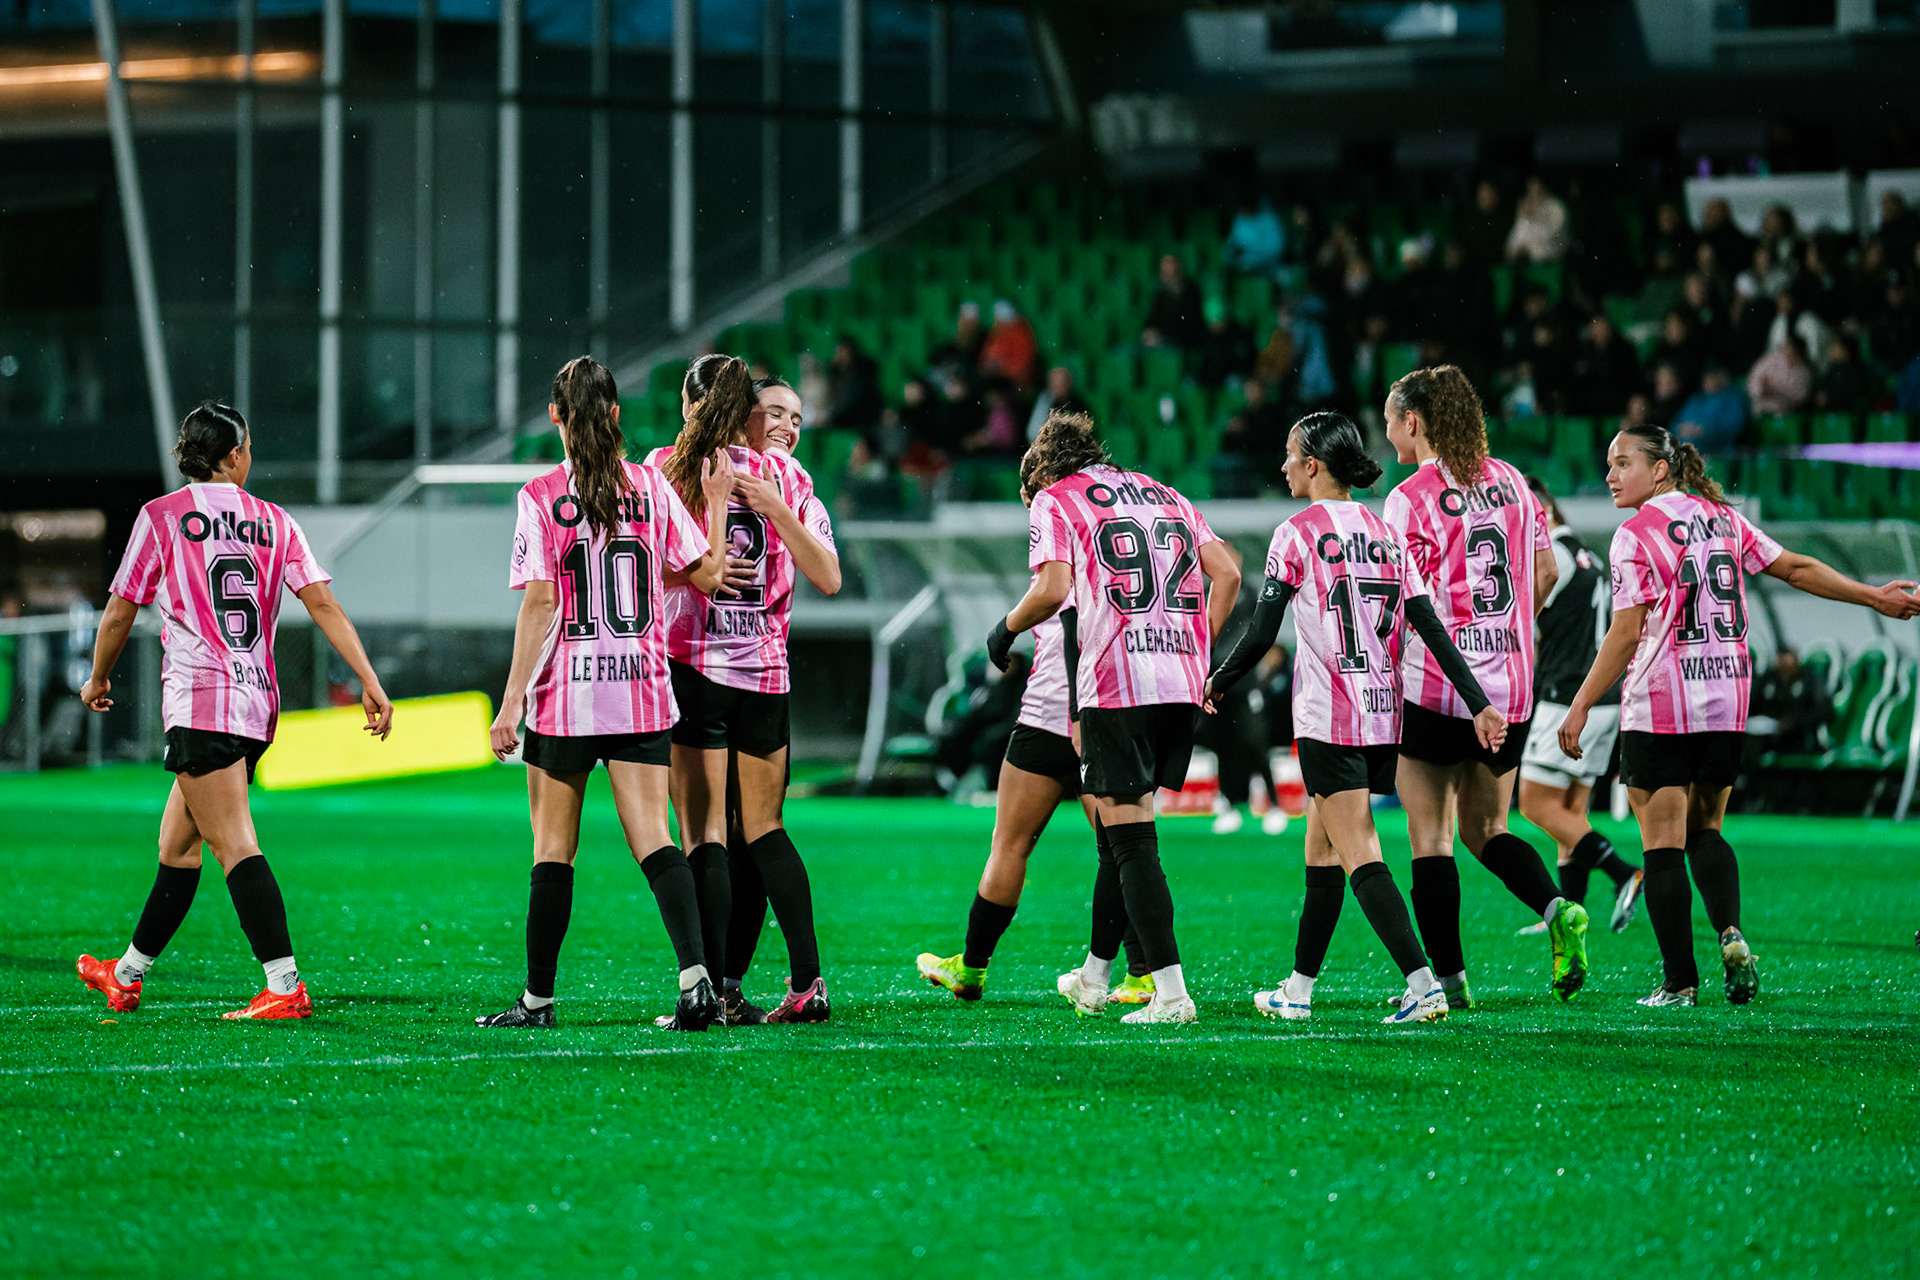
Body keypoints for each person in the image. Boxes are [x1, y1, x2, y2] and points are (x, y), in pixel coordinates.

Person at [1559, 426, 1920, 1007]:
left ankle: (1679, 982)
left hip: (1662, 702)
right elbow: (1795, 569)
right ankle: (1731, 933)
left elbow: (1626, 634)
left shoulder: (1635, 534)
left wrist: (1579, 705)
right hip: (1726, 698)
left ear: (1659, 470)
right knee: (1707, 831)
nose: (1610, 475)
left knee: (1662, 847)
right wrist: (1874, 596)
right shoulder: (1724, 519)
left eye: (1622, 463)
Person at [76, 401, 394, 1021]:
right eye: (248, 447)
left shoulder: (163, 516)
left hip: (201, 703)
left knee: (235, 845)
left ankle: (284, 985)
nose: (251, 456)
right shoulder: (275, 521)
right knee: (178, 847)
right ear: (231, 456)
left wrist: (98, 677)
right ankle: (128, 973)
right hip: (255, 704)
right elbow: (323, 604)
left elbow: (120, 608)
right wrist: (368, 678)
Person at [1207, 411, 1506, 1025]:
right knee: (1322, 853)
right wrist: (1478, 701)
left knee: (1359, 851)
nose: (1283, 466)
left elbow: (1261, 633)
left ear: (1313, 464)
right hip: (1382, 716)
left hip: (1330, 718)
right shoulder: (1387, 532)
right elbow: (1430, 626)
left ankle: (1423, 985)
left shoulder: (1296, 534)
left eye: (1290, 455)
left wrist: (1213, 681)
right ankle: (1297, 990)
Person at [476, 356, 736, 1031]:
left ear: (555, 417)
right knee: (654, 839)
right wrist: (714, 502)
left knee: (552, 851)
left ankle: (537, 1001)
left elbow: (540, 603)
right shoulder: (650, 486)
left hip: (566, 694)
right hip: (641, 691)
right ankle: (696, 983)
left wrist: (511, 702)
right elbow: (706, 575)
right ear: (617, 414)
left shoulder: (540, 496)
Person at [987, 409, 1242, 1024]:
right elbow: (1229, 573)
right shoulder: (1166, 493)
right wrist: (1198, 650)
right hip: (1179, 679)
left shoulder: (1056, 499)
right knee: (1118, 838)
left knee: (1130, 842)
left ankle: (1171, 994)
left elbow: (1052, 589)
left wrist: (1005, 629)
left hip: (1118, 679)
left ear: (1043, 470)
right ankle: (1095, 977)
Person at [1380, 366, 1587, 1010]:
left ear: (1414, 421)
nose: (1388, 435)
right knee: (1489, 826)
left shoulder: (1408, 498)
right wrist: (1512, 631)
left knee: (1432, 838)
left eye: (1390, 421)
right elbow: (1547, 572)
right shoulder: (1516, 484)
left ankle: (1449, 984)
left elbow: (1404, 604)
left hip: (1440, 689)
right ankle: (1557, 908)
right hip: (1513, 689)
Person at [645, 360, 844, 1025]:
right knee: (764, 830)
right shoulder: (790, 477)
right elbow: (829, 578)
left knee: (705, 835)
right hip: (766, 674)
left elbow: (650, 565)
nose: (786, 425)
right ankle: (802, 981)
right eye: (775, 412)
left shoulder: (671, 465)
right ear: (747, 413)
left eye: (795, 416)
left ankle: (707, 990)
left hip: (696, 666)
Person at [915, 476, 1157, 1008]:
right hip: (1107, 711)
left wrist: (1005, 632)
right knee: (1123, 851)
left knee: (1010, 845)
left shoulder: (1058, 535)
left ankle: (971, 968)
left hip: (1052, 712)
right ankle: (1142, 974)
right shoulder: (1119, 533)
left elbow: (1063, 616)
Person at [1513, 476, 1644, 936]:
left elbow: (1526, 619)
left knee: (1534, 803)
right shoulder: (1588, 555)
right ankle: (1570, 911)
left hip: (1568, 695)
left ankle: (1624, 872)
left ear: (1541, 511)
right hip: (1602, 696)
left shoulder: (1553, 556)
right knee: (1571, 810)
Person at [1672, 364, 1749, 454]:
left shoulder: (1733, 398)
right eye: (1707, 378)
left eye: (1712, 377)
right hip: (1687, 451)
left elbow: (1733, 427)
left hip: (1718, 452)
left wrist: (1704, 432)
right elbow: (1675, 425)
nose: (1708, 381)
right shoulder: (1696, 399)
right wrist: (1682, 429)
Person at [1142, 254, 1206, 349]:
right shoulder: (1161, 293)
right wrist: (1149, 331)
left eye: (1170, 271)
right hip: (1162, 341)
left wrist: (1161, 337)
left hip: (1183, 343)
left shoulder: (1191, 291)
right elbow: (1153, 317)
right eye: (1164, 271)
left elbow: (1189, 324)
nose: (1167, 276)